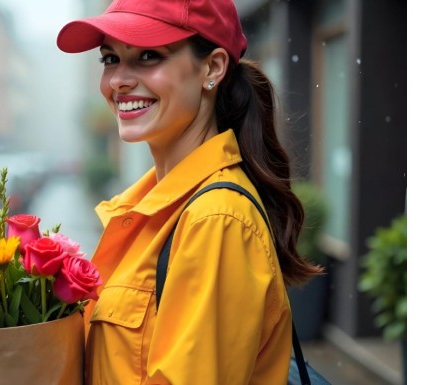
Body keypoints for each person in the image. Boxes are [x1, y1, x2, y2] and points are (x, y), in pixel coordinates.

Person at [55, 0, 325, 384]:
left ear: (212, 68)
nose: (118, 81)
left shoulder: (216, 221)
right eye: (110, 59)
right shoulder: (148, 209)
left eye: (148, 56)